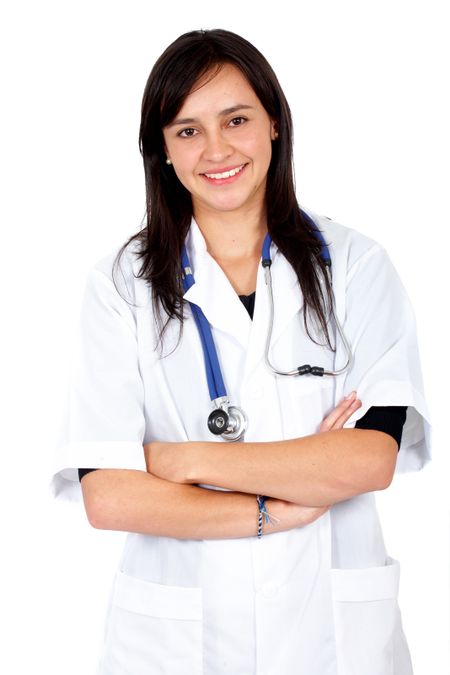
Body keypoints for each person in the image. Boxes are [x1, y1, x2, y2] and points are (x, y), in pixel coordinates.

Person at [50, 28, 431, 675]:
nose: (217, 149)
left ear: (275, 124)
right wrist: (278, 507)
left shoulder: (357, 267)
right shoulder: (120, 283)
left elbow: (370, 456)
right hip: (177, 645)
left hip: (334, 640)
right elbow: (111, 496)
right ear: (162, 151)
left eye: (236, 119)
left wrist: (177, 459)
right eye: (187, 130)